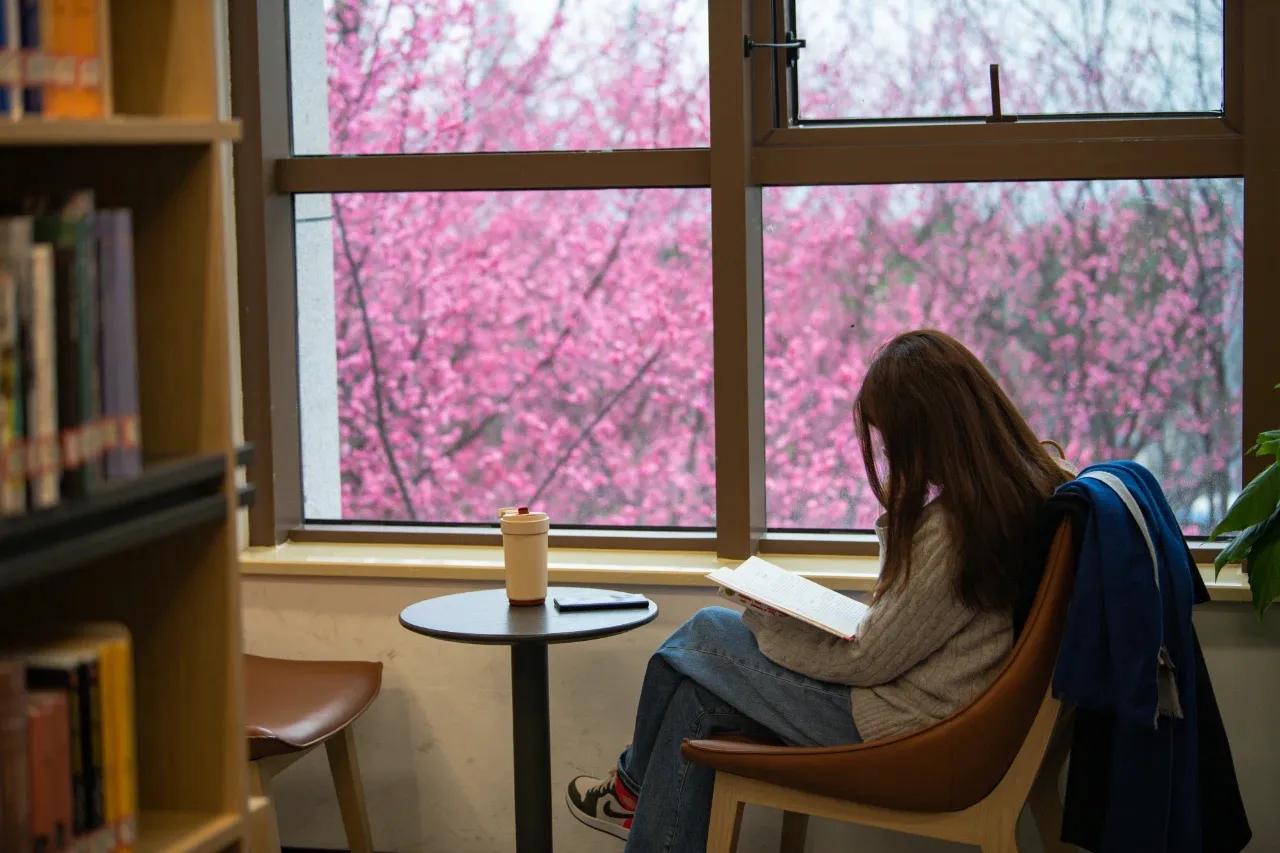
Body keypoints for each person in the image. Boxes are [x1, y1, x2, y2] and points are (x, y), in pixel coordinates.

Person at [564, 329, 1074, 853]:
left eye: (893, 441)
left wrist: (766, 622)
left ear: (924, 435)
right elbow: (906, 621)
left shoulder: (956, 528)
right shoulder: (1028, 484)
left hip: (912, 726)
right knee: (695, 694)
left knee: (702, 636)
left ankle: (629, 791)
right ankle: (632, 801)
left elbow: (869, 659)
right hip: (940, 711)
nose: (891, 457)